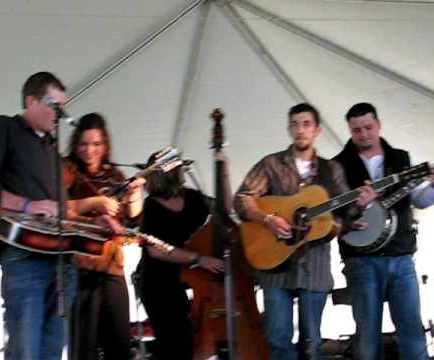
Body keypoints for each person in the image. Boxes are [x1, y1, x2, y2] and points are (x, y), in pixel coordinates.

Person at [0, 72, 122, 360]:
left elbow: (58, 211)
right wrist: (27, 205)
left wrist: (91, 222)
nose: (59, 115)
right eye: (53, 105)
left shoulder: (50, 150)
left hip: (62, 262)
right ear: (31, 101)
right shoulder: (3, 128)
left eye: (63, 107)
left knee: (52, 350)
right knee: (27, 348)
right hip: (25, 259)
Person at [233, 103, 376, 360]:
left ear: (317, 130)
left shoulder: (331, 170)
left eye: (306, 124)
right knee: (278, 340)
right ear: (289, 128)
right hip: (275, 269)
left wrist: (360, 205)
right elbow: (242, 199)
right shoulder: (270, 164)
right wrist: (267, 219)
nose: (300, 130)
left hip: (315, 268)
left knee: (312, 345)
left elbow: (344, 217)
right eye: (295, 124)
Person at [333, 102, 434, 360]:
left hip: (401, 257)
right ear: (350, 130)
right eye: (356, 130)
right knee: (367, 335)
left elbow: (418, 200)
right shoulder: (337, 165)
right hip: (361, 260)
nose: (364, 134)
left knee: (412, 331)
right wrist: (355, 206)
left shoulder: (400, 159)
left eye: (368, 127)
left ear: (378, 124)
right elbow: (330, 216)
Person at [64, 112, 144, 360]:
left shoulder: (115, 175)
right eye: (84, 144)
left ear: (105, 144)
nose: (90, 151)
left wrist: (134, 193)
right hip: (79, 267)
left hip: (112, 267)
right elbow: (56, 209)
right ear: (76, 145)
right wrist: (94, 202)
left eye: (96, 144)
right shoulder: (65, 170)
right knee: (83, 347)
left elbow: (133, 218)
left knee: (119, 344)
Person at [137, 150, 227, 360]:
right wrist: (199, 259)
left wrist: (224, 171)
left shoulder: (193, 197)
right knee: (174, 342)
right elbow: (155, 249)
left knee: (187, 342)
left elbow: (224, 210)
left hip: (188, 279)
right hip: (158, 283)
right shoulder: (152, 206)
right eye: (178, 166)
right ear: (168, 172)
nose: (183, 169)